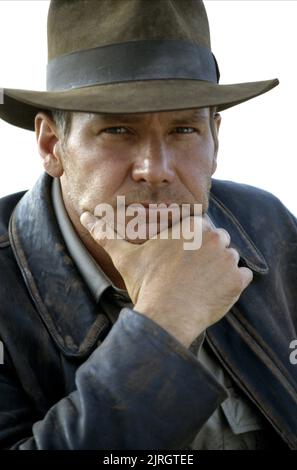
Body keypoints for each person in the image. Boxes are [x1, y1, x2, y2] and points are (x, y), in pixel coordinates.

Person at [0, 0, 296, 450]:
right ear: (51, 145)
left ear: (215, 139)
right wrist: (166, 320)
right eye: (118, 130)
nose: (155, 169)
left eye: (184, 131)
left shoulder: (266, 225)